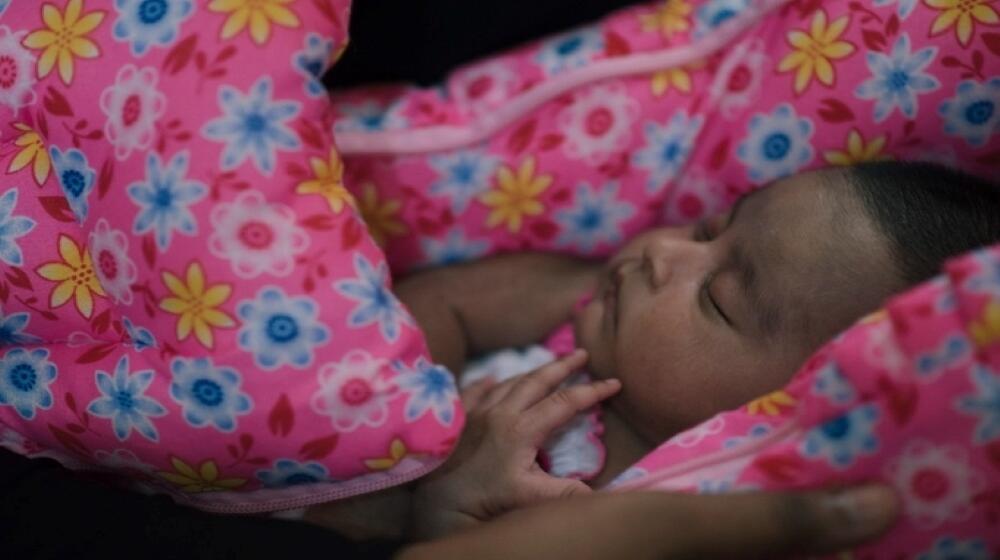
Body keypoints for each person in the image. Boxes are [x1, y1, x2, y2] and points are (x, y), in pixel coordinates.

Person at [375, 161, 1000, 537]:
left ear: (783, 408)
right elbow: (443, 300)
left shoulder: (660, 516)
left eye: (718, 298)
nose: (664, 253)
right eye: (711, 228)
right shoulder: (588, 304)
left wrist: (443, 510)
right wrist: (399, 442)